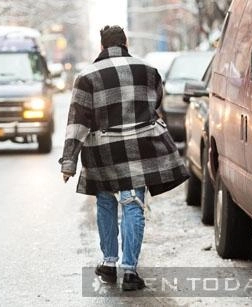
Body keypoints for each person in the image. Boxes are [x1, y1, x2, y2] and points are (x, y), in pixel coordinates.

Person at [59, 25, 189, 291]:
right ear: (125, 42)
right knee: (132, 204)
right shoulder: (148, 71)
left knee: (106, 202)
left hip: (103, 152)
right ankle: (130, 271)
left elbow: (77, 124)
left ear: (102, 46)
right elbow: (155, 107)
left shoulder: (86, 77)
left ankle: (109, 264)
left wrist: (69, 162)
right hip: (138, 150)